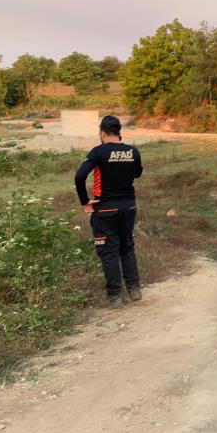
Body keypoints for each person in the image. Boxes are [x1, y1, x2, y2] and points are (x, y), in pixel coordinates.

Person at [74, 115, 143, 307]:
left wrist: (85, 201)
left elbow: (80, 176)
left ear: (103, 134)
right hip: (129, 207)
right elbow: (137, 173)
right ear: (119, 133)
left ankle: (114, 296)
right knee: (127, 247)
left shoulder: (98, 152)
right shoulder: (133, 151)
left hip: (105, 209)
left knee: (109, 251)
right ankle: (134, 289)